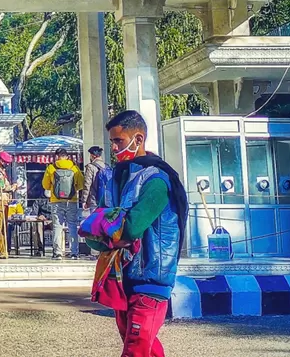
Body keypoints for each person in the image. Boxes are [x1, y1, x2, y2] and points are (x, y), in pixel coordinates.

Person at [82, 110, 187, 357]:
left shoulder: (158, 180)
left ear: (138, 139)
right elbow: (91, 234)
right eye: (112, 142)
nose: (115, 148)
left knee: (135, 349)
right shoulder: (117, 177)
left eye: (119, 141)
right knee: (145, 348)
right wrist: (107, 229)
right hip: (121, 277)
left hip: (151, 280)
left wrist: (107, 227)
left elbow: (130, 228)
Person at [43, 151, 84, 259]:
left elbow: (45, 185)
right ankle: (74, 252)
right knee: (72, 226)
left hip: (56, 201)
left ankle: (58, 253)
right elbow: (80, 185)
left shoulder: (51, 168)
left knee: (57, 226)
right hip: (72, 200)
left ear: (57, 157)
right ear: (67, 157)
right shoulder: (74, 168)